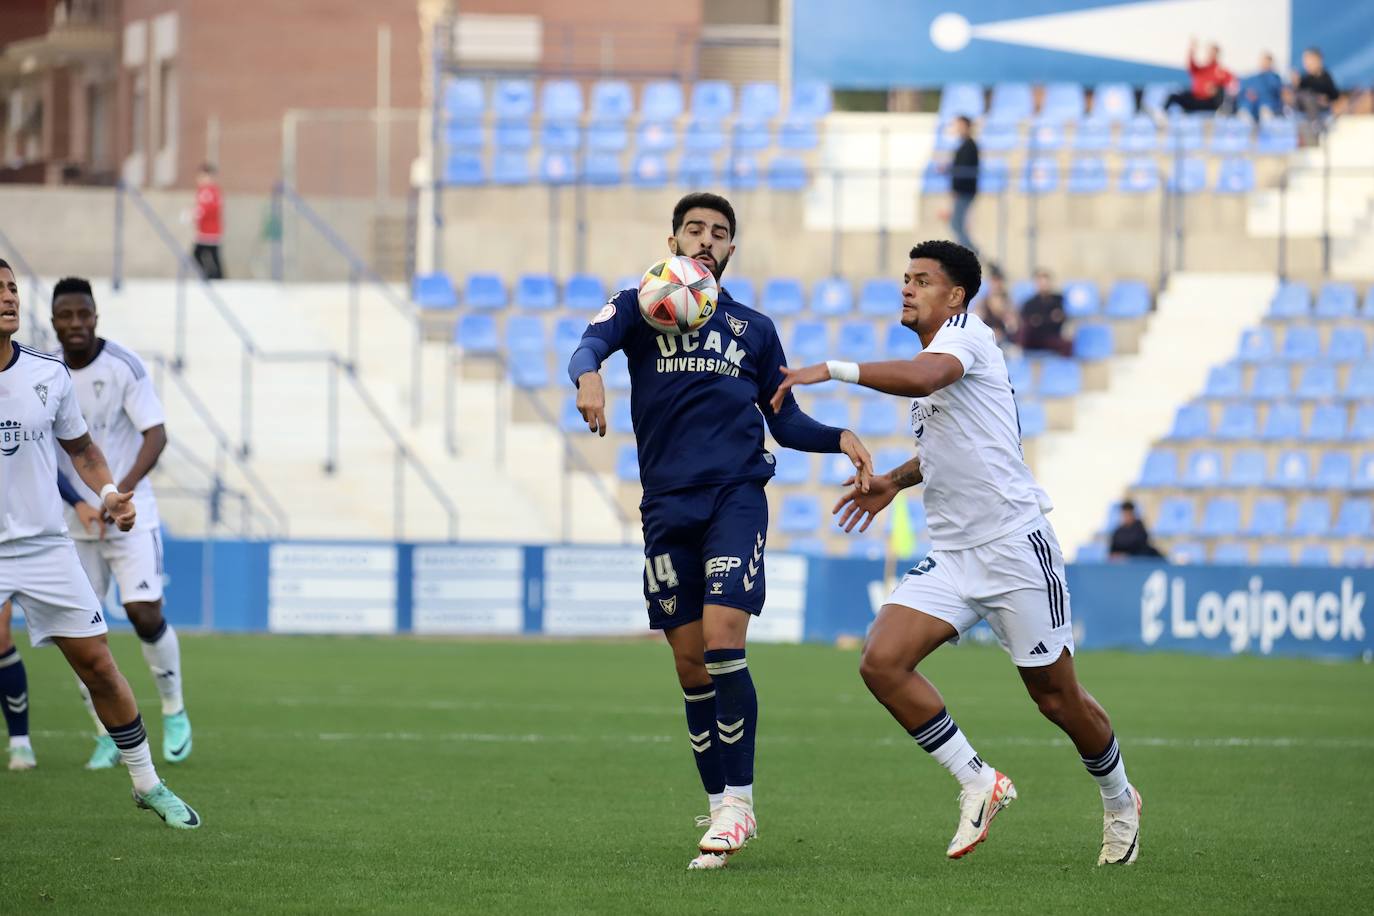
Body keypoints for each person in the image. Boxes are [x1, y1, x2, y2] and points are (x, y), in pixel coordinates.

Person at [770, 240, 1141, 866]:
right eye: (905, 278)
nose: (907, 289)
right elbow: (954, 446)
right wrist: (893, 480)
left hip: (1015, 549)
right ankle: (978, 780)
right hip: (954, 553)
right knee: (882, 661)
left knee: (1057, 699)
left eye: (922, 280)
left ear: (956, 296)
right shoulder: (939, 355)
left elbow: (925, 377)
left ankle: (1120, 797)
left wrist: (831, 369)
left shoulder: (968, 338)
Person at [567, 192, 874, 870]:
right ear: (672, 239)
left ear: (732, 249)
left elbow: (784, 421)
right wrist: (589, 377)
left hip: (735, 497)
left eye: (720, 233)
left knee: (723, 638)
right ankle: (718, 809)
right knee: (688, 664)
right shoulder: (640, 306)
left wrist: (839, 436)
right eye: (695, 230)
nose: (707, 240)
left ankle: (740, 802)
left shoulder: (753, 329)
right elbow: (588, 344)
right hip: (665, 507)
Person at [0, 259, 199, 827]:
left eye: (13, 288)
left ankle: (147, 782)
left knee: (100, 664)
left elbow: (83, 450)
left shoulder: (46, 375)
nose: (9, 298)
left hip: (45, 547)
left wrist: (110, 491)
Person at [50, 277, 192, 769]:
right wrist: (82, 501)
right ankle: (107, 734)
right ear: (53, 322)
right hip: (74, 519)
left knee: (144, 612)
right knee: (81, 631)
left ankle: (174, 710)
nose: (75, 324)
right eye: (65, 316)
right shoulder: (44, 375)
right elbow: (44, 453)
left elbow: (156, 434)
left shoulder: (124, 366)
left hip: (131, 512)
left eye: (82, 314)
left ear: (95, 317)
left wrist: (119, 494)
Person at [1164, 39, 1235, 114]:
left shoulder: (1221, 71)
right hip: (1195, 100)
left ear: (1217, 54)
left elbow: (1232, 86)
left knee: (1221, 91)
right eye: (1209, 52)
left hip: (1209, 104)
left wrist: (1216, 89)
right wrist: (1192, 49)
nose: (1210, 55)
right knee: (1174, 96)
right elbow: (1191, 65)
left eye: (1212, 53)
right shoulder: (1201, 69)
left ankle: (1225, 113)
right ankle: (1161, 115)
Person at [944, 116, 979, 253]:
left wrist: (956, 188)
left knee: (956, 224)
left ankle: (972, 253)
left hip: (964, 191)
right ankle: (967, 253)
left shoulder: (970, 146)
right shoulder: (965, 145)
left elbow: (965, 170)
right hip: (963, 190)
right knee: (957, 225)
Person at [1018, 269, 1072, 356]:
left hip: (1051, 337)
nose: (1043, 285)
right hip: (1034, 338)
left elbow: (1060, 319)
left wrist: (1040, 320)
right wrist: (1049, 318)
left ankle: (1063, 368)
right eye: (1040, 282)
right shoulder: (1029, 303)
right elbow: (1029, 323)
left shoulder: (1058, 299)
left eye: (1045, 282)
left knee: (1067, 344)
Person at [1293, 48, 1340, 134]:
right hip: (1306, 112)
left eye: (1309, 61)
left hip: (1322, 110)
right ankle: (1315, 124)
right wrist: (1296, 85)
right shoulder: (1304, 79)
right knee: (1307, 96)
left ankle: (1317, 125)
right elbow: (1298, 97)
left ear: (1318, 60)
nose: (1306, 64)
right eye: (1305, 61)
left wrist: (1326, 99)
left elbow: (1334, 95)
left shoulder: (1326, 77)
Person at [192, 163, 224, 280]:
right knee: (200, 254)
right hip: (203, 229)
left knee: (208, 254)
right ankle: (211, 275)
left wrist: (198, 213)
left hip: (211, 230)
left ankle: (217, 276)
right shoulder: (201, 191)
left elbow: (211, 208)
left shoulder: (212, 191)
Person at [977, 263, 1018, 351]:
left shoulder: (1008, 301)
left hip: (1004, 339)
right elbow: (977, 321)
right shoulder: (983, 301)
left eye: (998, 281)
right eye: (993, 281)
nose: (996, 285)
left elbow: (1013, 327)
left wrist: (1004, 313)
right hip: (987, 337)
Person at [1238, 52, 1285, 121]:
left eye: (1267, 62)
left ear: (1271, 64)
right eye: (1263, 61)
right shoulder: (1252, 78)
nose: (1264, 64)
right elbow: (1242, 90)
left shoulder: (1274, 78)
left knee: (1265, 112)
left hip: (1267, 106)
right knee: (1244, 111)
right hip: (1250, 106)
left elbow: (1278, 92)